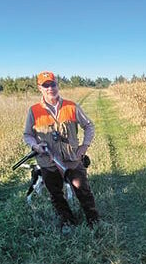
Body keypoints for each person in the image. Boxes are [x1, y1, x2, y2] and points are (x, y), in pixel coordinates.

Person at [23, 71, 99, 231]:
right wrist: (35, 146)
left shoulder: (71, 106)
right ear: (40, 88)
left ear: (57, 85)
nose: (50, 88)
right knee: (56, 195)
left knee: (83, 191)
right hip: (48, 163)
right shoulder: (34, 110)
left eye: (53, 84)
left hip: (72, 160)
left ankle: (94, 221)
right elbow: (28, 135)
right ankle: (68, 222)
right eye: (45, 85)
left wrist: (84, 146)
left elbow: (89, 126)